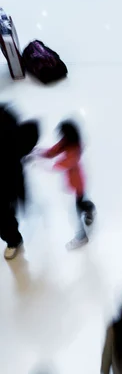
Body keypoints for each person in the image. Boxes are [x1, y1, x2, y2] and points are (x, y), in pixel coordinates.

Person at [39, 120, 96, 249]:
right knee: (81, 203)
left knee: (76, 210)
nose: (60, 136)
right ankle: (89, 210)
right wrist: (40, 153)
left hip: (78, 183)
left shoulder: (74, 148)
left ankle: (82, 237)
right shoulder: (67, 142)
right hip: (75, 182)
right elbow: (53, 151)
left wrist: (44, 165)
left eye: (62, 133)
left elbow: (65, 163)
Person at [0, 105, 39, 260]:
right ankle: (13, 238)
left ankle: (14, 241)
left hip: (6, 182)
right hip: (11, 178)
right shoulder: (5, 114)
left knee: (4, 217)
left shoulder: (4, 117)